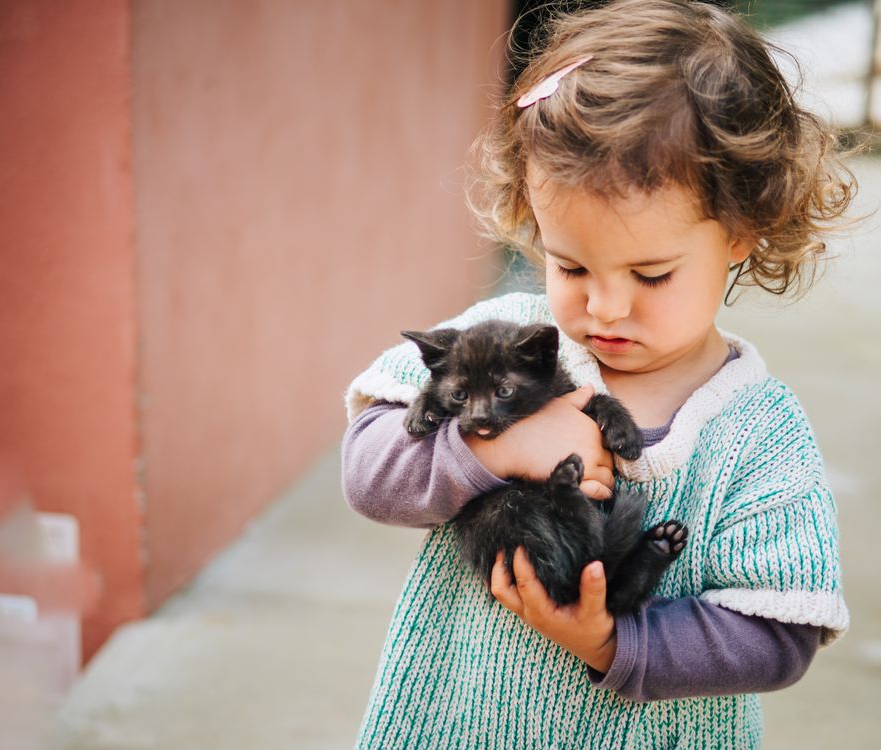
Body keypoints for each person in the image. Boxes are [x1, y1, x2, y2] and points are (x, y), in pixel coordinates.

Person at [341, 1, 854, 746]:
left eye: (651, 274)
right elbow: (367, 470)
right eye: (571, 264)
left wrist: (614, 643)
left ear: (743, 231)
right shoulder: (498, 345)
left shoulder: (760, 433)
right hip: (461, 721)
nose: (604, 306)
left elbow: (781, 632)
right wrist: (493, 449)